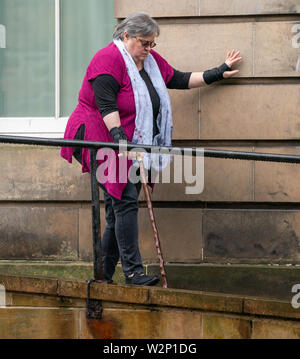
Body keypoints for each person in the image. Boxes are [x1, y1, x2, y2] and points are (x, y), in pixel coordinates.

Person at [60, 12, 242, 286]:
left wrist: (218, 72)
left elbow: (178, 79)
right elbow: (107, 105)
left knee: (115, 209)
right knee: (125, 199)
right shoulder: (107, 59)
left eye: (151, 44)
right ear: (126, 36)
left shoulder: (150, 62)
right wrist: (121, 141)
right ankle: (133, 273)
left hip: (131, 139)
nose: (148, 49)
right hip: (99, 134)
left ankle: (102, 277)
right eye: (144, 43)